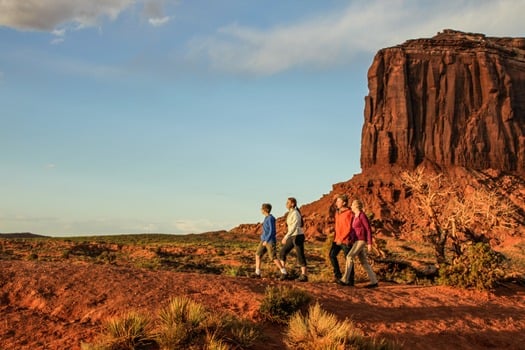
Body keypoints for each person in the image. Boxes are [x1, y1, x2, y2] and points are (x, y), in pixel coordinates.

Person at [341, 199, 378, 288]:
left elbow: (368, 229)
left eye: (353, 205)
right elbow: (354, 231)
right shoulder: (355, 216)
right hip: (356, 241)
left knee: (349, 256)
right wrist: (350, 240)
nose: (351, 206)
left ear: (356, 206)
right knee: (364, 262)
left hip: (361, 240)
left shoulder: (362, 216)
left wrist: (369, 243)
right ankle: (374, 282)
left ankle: (345, 279)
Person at [252, 203, 286, 278]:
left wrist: (266, 240)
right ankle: (257, 273)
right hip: (263, 240)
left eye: (262, 208)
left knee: (273, 257)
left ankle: (284, 272)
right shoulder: (266, 218)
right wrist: (263, 238)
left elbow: (272, 231)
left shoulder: (271, 218)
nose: (261, 210)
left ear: (265, 210)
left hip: (269, 241)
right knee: (258, 255)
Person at [279, 197, 308, 282]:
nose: (286, 204)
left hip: (297, 236)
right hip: (292, 236)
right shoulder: (290, 213)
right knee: (282, 252)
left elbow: (294, 227)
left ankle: (304, 275)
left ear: (292, 204)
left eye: (288, 202)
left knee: (300, 255)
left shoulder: (295, 213)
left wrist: (285, 236)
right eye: (286, 202)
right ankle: (283, 273)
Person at [330, 194, 355, 286]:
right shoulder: (337, 212)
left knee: (348, 260)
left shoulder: (349, 213)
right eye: (336, 201)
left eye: (338, 201)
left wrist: (342, 238)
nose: (336, 203)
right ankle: (338, 276)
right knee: (332, 255)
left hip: (345, 240)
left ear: (344, 203)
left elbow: (349, 228)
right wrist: (336, 237)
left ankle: (350, 280)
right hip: (337, 239)